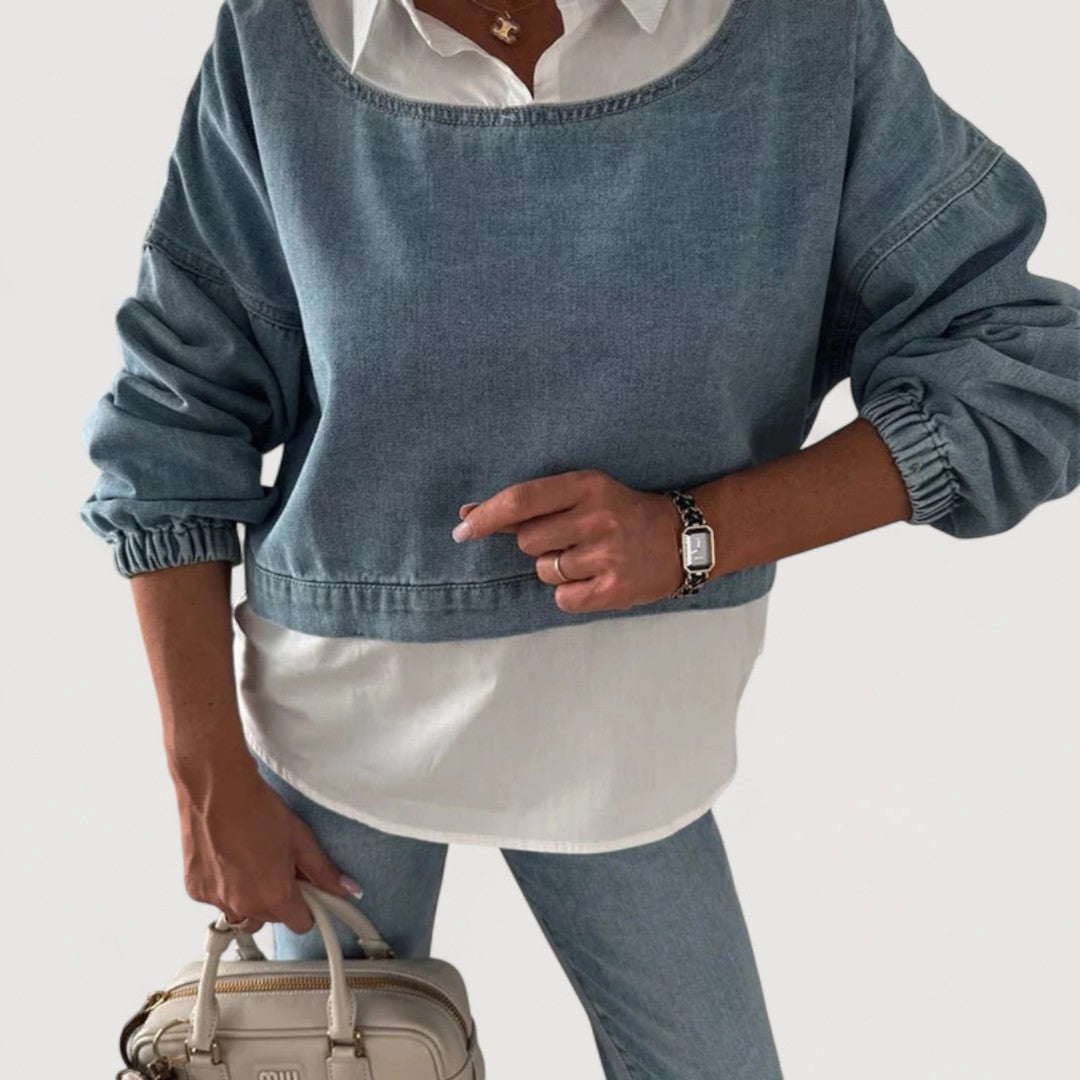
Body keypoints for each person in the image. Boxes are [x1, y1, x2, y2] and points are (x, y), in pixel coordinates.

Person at [78, 0, 1080, 1076]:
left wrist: (693, 533)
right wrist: (204, 770)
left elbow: (1025, 363)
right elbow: (176, 412)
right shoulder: (282, 35)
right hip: (337, 736)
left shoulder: (799, 36)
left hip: (632, 737)